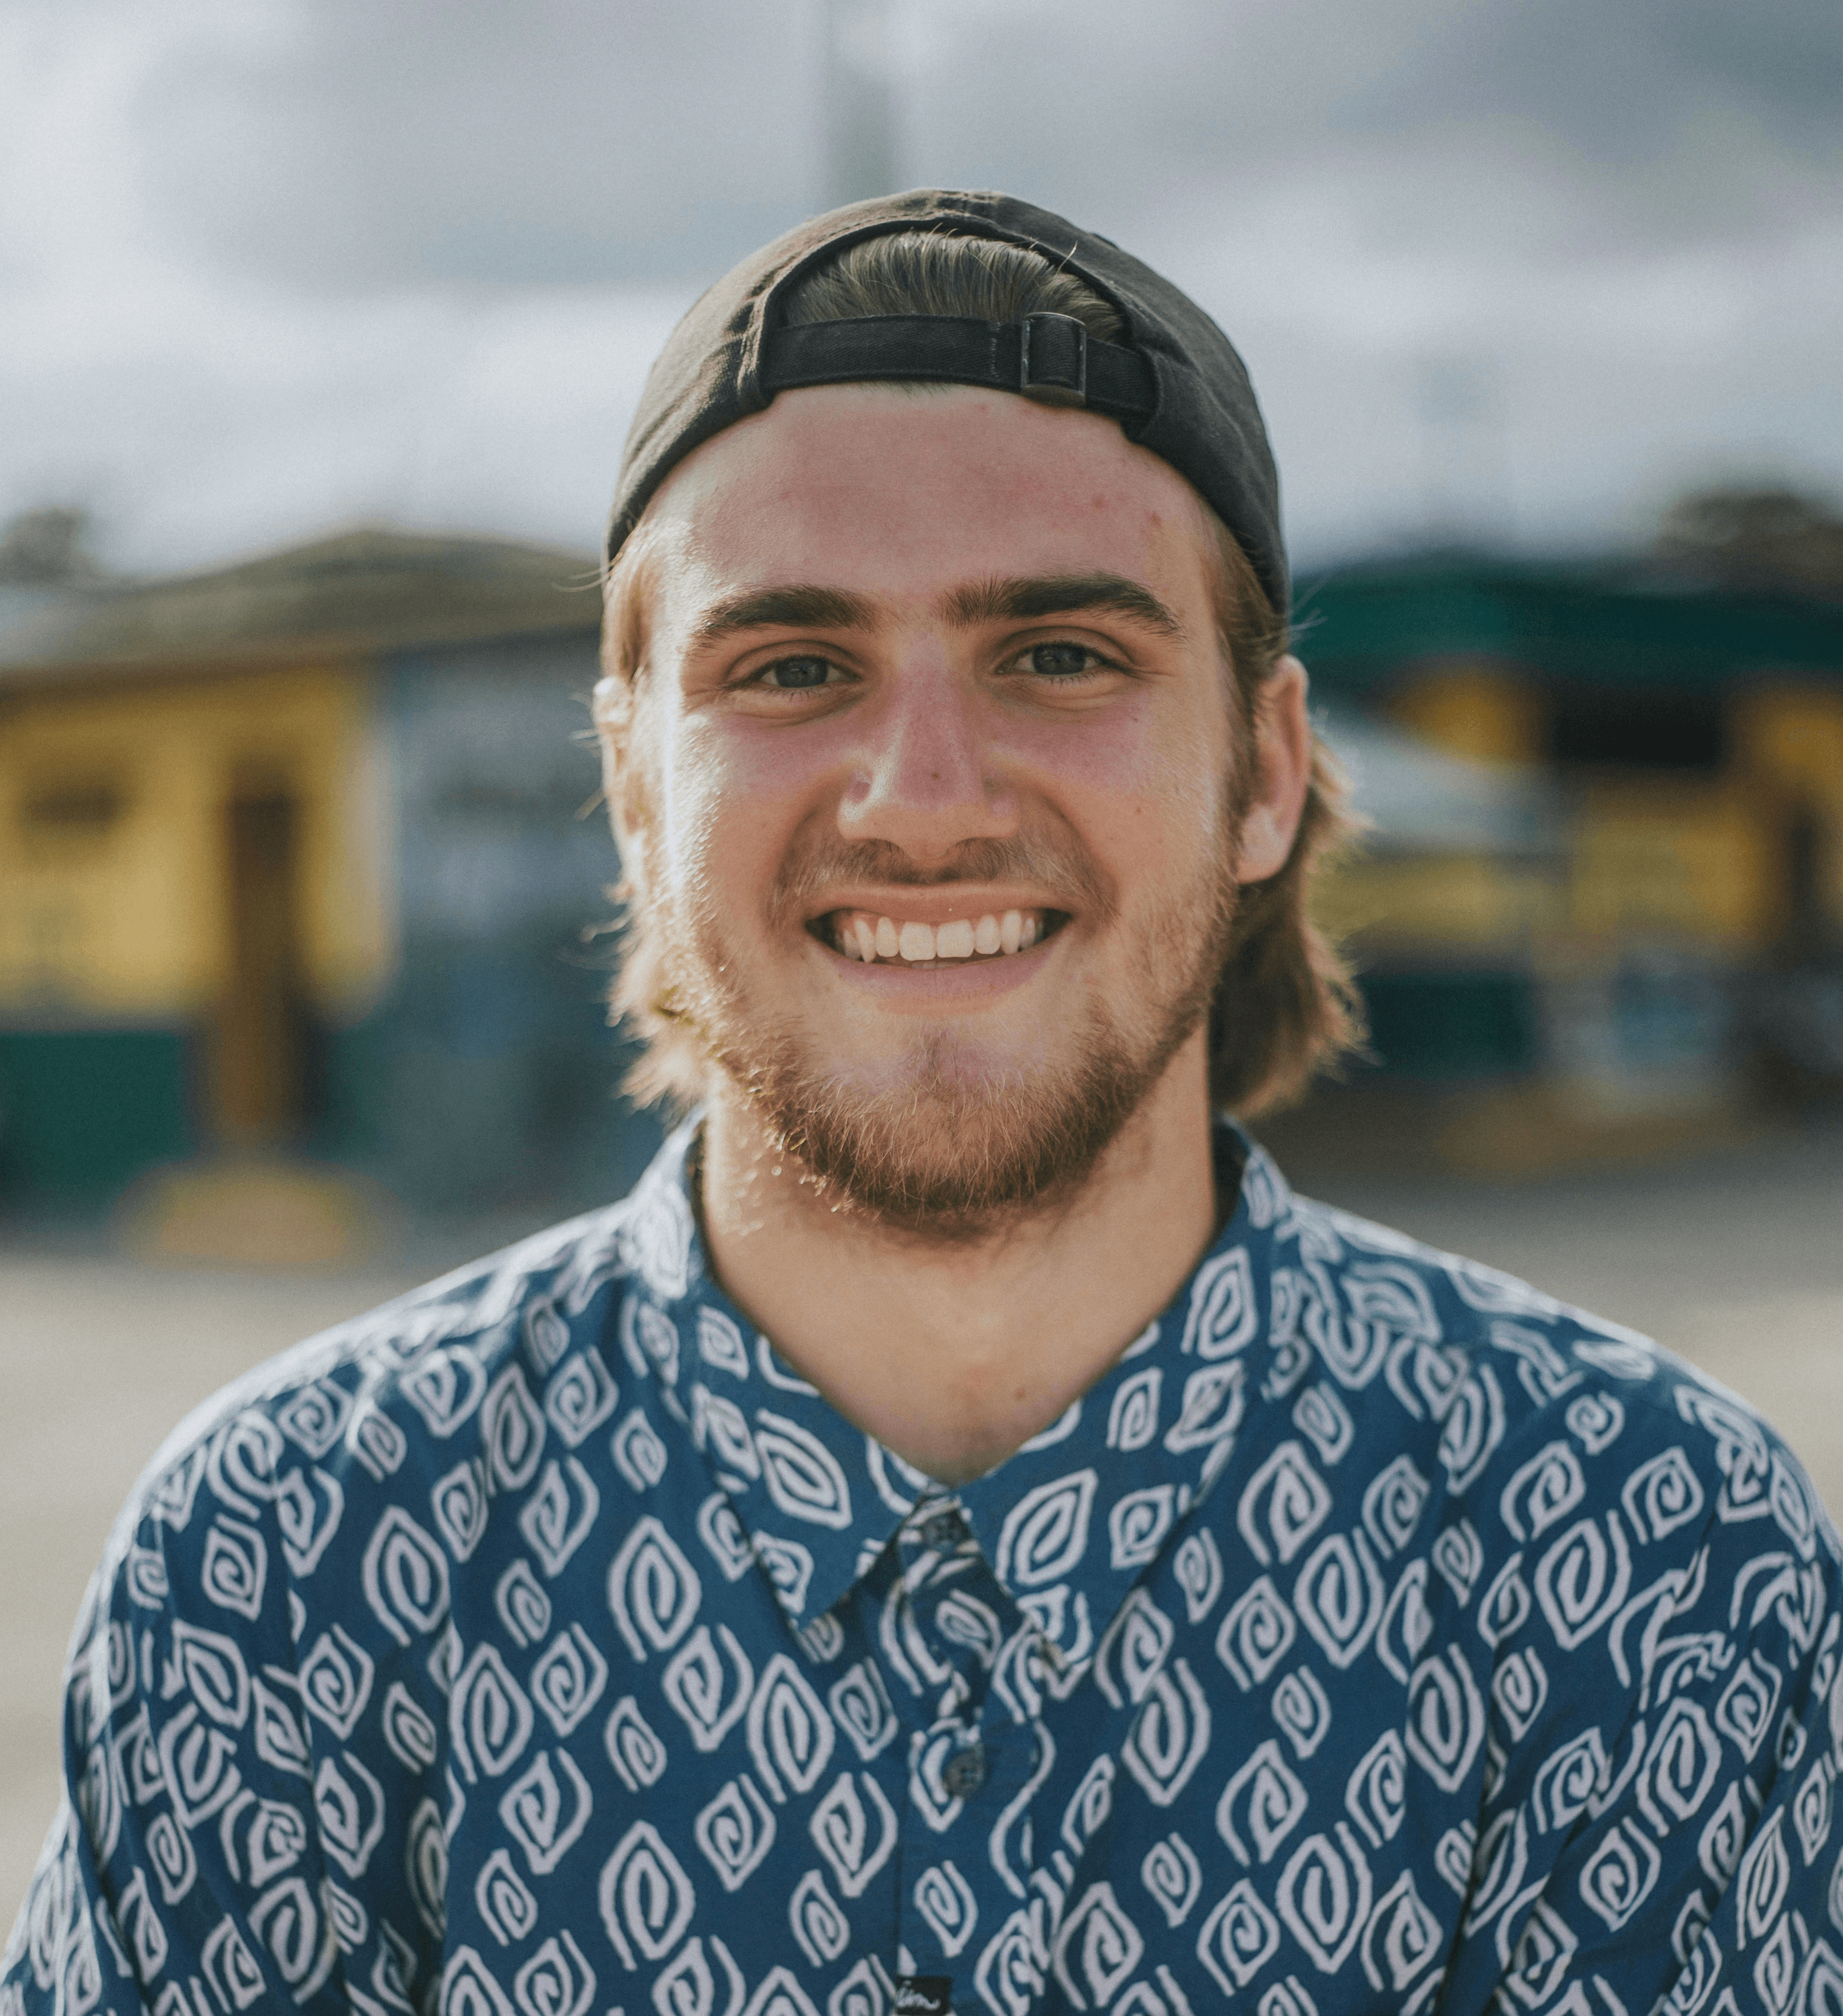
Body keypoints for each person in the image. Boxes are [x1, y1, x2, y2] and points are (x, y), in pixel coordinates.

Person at [6, 190, 1840, 2016]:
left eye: (1063, 654)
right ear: (634, 792)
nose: (926, 798)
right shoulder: (283, 1563)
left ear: (1268, 770)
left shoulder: (1652, 1557)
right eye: (794, 667)